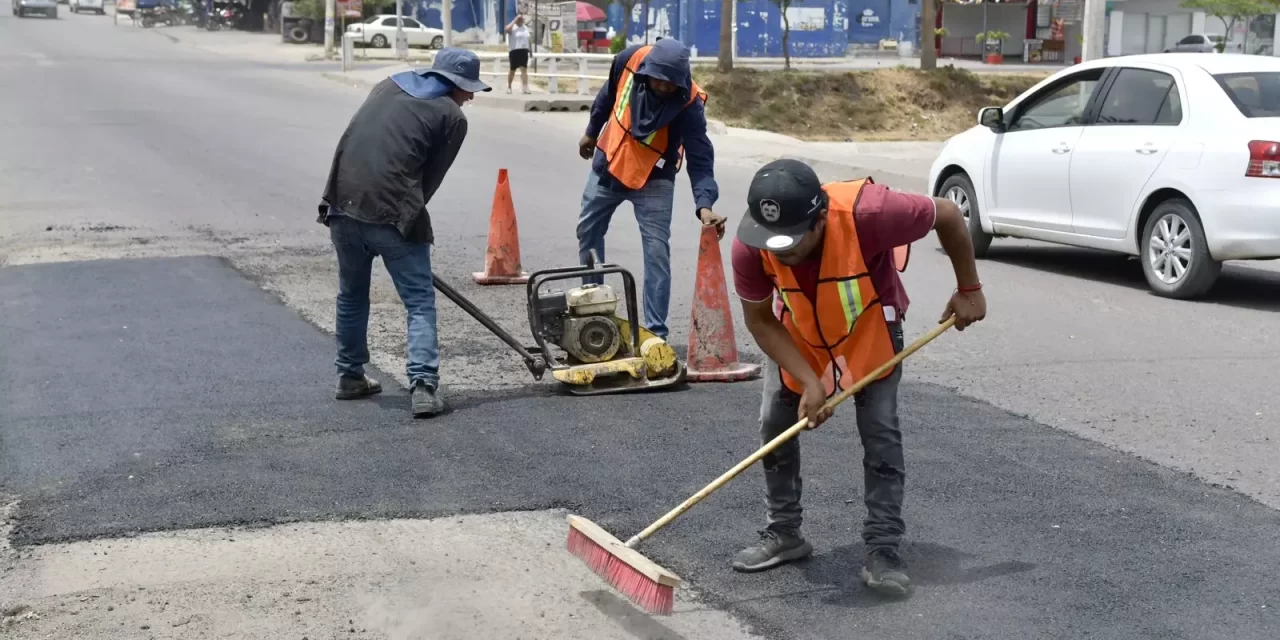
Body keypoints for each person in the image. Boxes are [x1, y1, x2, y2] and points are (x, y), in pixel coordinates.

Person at [729, 159, 988, 596]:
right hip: (800, 333)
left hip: (869, 328)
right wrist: (811, 383)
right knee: (775, 422)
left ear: (820, 219)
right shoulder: (749, 245)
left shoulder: (870, 214)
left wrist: (970, 289)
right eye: (775, 246)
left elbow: (946, 212)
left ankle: (883, 549)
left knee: (880, 432)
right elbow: (760, 321)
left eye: (792, 244)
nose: (782, 254)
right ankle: (784, 532)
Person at [316, 48, 490, 418]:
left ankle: (349, 377)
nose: (471, 96)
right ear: (455, 85)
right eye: (468, 89)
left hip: (340, 201)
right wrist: (405, 225)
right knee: (419, 302)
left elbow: (353, 141)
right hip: (390, 213)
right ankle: (424, 387)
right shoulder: (452, 116)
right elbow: (429, 181)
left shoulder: (387, 85)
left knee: (351, 296)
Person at [576, 37, 725, 341]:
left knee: (657, 252)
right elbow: (608, 95)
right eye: (658, 81)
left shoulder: (689, 104)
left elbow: (700, 156)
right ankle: (593, 312)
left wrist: (704, 204)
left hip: (653, 178)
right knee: (588, 231)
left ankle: (655, 335)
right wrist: (591, 133)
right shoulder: (629, 61)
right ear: (647, 71)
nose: (664, 87)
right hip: (610, 164)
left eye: (671, 84)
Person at [504, 15, 531, 94]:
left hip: (524, 51)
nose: (522, 20)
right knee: (512, 70)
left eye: (522, 19)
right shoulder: (513, 27)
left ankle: (525, 88)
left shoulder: (525, 28)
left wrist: (530, 51)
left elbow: (528, 40)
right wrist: (515, 19)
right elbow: (506, 29)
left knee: (524, 70)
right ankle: (509, 87)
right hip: (514, 50)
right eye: (520, 19)